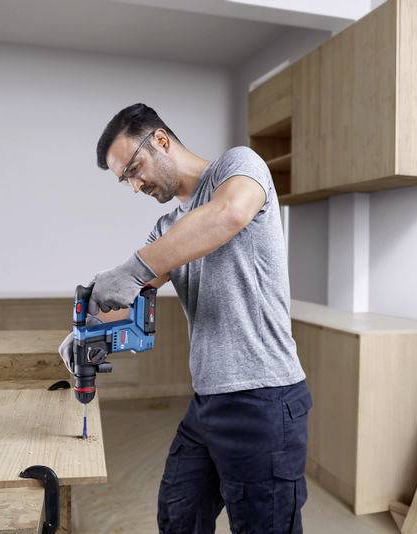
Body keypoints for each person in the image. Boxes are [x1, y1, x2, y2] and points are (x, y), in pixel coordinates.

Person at [59, 103, 311, 533]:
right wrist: (87, 330)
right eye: (126, 180)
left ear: (160, 140)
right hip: (208, 401)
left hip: (263, 398)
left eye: (134, 169)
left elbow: (228, 215)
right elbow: (133, 290)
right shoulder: (168, 229)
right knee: (179, 515)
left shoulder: (238, 167)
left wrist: (134, 267)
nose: (135, 185)